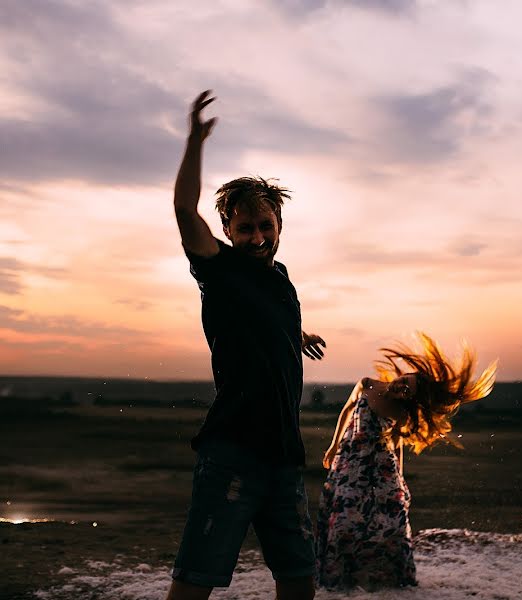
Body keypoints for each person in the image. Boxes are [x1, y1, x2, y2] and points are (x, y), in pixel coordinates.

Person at [166, 90, 325, 600]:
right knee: (195, 582)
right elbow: (184, 209)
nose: (257, 236)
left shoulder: (280, 279)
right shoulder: (220, 270)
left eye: (265, 226)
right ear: (229, 230)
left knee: (300, 579)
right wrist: (195, 141)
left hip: (283, 457)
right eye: (245, 228)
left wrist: (296, 335)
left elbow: (263, 319)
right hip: (232, 453)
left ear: (278, 225)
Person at [316, 332, 496, 590]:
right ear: (403, 374)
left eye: (406, 391)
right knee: (345, 518)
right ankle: (340, 577)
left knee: (390, 523)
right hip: (351, 462)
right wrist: (333, 446)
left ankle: (387, 578)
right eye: (403, 381)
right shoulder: (366, 384)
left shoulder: (400, 413)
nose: (400, 387)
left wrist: (398, 476)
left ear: (407, 399)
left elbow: (396, 444)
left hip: (380, 468)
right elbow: (346, 411)